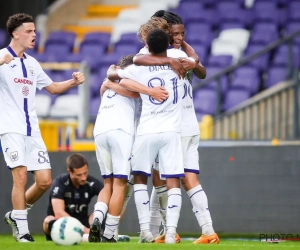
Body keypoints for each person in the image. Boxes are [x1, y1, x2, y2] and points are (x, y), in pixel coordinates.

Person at [134, 10, 220, 244]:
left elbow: (136, 61)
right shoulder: (181, 57)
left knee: (161, 179)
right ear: (165, 34)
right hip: (190, 125)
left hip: (174, 126)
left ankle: (166, 229)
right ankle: (207, 231)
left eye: (183, 33)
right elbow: (200, 69)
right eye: (176, 33)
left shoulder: (157, 54)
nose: (180, 37)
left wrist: (178, 47)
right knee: (188, 178)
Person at [1, 13, 85, 242]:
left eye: (34, 31)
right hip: (9, 128)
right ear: (15, 34)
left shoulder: (32, 63)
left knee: (44, 180)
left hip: (32, 130)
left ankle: (15, 215)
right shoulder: (1, 58)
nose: (34, 35)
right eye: (28, 31)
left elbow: (53, 88)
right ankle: (23, 230)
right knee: (19, 177)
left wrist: (73, 82)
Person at [108, 28, 186, 244]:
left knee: (140, 178)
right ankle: (170, 232)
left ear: (148, 47)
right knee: (173, 181)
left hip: (147, 130)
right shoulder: (180, 62)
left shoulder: (138, 68)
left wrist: (146, 89)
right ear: (168, 45)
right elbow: (196, 62)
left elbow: (113, 75)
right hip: (171, 131)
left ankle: (146, 231)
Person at [89, 55, 168, 243]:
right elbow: (134, 93)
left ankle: (98, 217)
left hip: (99, 131)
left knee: (107, 182)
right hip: (121, 132)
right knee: (119, 184)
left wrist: (108, 83)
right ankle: (109, 234)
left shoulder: (108, 83)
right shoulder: (132, 83)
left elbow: (111, 86)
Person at [43, 153, 104, 241]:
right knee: (48, 220)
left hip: (84, 222)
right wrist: (86, 230)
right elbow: (58, 213)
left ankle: (104, 235)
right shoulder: (60, 182)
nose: (83, 178)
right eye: (79, 175)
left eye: (85, 173)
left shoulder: (92, 182)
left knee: (100, 213)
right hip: (62, 223)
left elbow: (109, 199)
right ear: (70, 172)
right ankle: (88, 236)